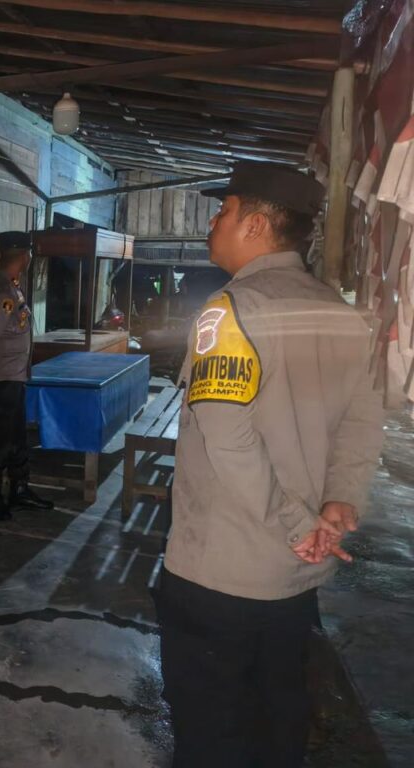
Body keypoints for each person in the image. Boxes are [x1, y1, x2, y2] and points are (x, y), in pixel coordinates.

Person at [156, 162, 384, 768]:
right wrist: (338, 503)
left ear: (255, 225)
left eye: (224, 210)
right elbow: (363, 421)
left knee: (212, 731)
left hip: (221, 572)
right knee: (278, 715)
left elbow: (228, 439)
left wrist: (297, 523)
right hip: (298, 572)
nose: (213, 222)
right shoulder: (342, 314)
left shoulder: (232, 310)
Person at [0, 231, 54, 520]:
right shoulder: (3, 293)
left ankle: (19, 490)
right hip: (1, 378)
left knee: (16, 437)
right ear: (25, 256)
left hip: (12, 376)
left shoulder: (12, 285)